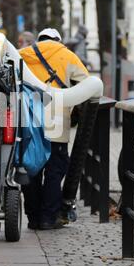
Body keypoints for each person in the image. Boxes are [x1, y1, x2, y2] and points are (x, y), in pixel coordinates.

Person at [19, 27, 89, 230]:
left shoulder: (23, 54)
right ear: (58, 40)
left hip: (29, 122)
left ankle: (32, 217)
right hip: (57, 121)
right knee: (54, 172)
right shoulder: (68, 55)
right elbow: (87, 85)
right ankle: (48, 218)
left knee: (31, 169)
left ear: (39, 39)